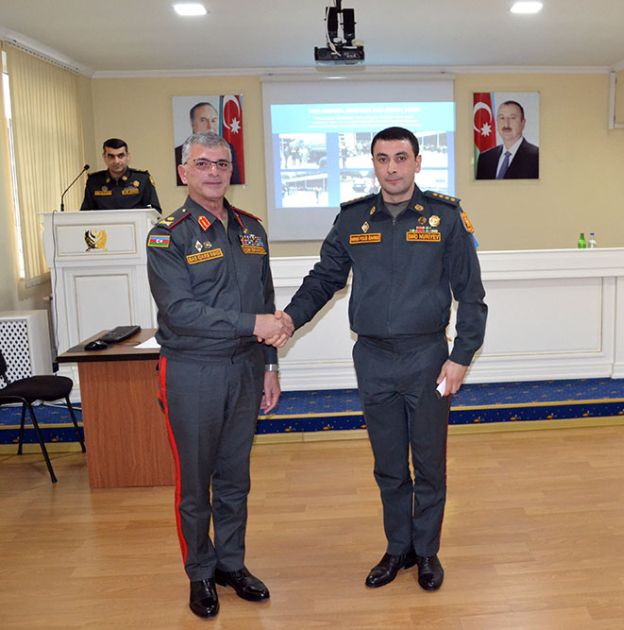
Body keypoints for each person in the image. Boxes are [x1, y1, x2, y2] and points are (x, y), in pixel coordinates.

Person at [280, 126, 487, 592]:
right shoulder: (354, 219)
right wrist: (290, 319)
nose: (391, 168)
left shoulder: (445, 218)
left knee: (429, 462)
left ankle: (427, 551)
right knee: (389, 463)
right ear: (372, 164)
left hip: (428, 358)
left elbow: (471, 295)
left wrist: (460, 357)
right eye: (382, 158)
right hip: (373, 359)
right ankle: (399, 548)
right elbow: (324, 279)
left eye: (401, 157)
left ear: (417, 162)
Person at [146, 132, 289, 618]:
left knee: (235, 478)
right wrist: (253, 325)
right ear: (184, 172)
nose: (213, 172)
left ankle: (231, 564)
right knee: (194, 483)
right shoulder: (168, 235)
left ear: (232, 170)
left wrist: (269, 366)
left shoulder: (252, 229)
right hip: (192, 370)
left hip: (246, 368)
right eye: (203, 163)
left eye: (222, 164)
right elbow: (180, 310)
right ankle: (200, 574)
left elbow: (265, 298)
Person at [80, 138, 161, 211]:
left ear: (128, 157)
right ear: (104, 157)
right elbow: (85, 214)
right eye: (111, 156)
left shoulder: (142, 179)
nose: (116, 161)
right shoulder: (94, 181)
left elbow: (154, 211)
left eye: (120, 156)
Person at [175, 102, 242, 184]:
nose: (210, 126)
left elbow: (235, 181)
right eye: (201, 164)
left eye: (222, 164)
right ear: (192, 124)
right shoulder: (178, 153)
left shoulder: (228, 149)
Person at [475, 100, 539, 179]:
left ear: (523, 123)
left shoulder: (537, 157)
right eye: (502, 118)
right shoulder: (485, 158)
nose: (506, 124)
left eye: (512, 118)